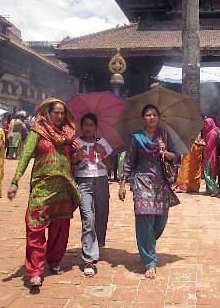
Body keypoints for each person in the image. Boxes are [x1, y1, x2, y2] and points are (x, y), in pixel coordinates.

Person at [7, 99, 82, 287]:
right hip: (42, 187)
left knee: (60, 228)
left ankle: (54, 260)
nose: (59, 116)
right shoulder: (37, 132)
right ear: (48, 113)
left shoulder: (69, 134)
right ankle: (34, 270)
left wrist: (78, 154)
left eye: (62, 113)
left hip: (63, 188)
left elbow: (72, 161)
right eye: (56, 112)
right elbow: (25, 155)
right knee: (35, 227)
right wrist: (15, 180)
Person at [119, 104, 178, 279]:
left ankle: (147, 244)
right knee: (145, 219)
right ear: (143, 118)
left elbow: (175, 156)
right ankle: (149, 262)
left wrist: (164, 151)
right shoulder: (136, 137)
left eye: (154, 115)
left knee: (161, 220)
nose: (151, 118)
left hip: (161, 183)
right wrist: (123, 182)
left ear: (159, 117)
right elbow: (129, 160)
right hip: (141, 180)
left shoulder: (165, 135)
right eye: (147, 115)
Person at [74, 113, 113, 277]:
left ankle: (96, 243)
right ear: (81, 126)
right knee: (88, 217)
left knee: (101, 215)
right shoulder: (76, 142)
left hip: (102, 181)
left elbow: (111, 165)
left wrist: (103, 153)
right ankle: (89, 259)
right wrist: (76, 155)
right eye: (85, 124)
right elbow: (71, 162)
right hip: (83, 182)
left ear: (96, 127)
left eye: (91, 125)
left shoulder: (102, 142)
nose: (88, 128)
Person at [202, 118, 219, 195]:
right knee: (210, 172)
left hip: (210, 155)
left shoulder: (211, 133)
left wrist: (201, 145)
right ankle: (209, 190)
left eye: (207, 124)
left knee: (206, 172)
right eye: (204, 124)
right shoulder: (211, 132)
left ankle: (214, 189)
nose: (205, 126)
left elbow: (209, 146)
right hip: (211, 154)